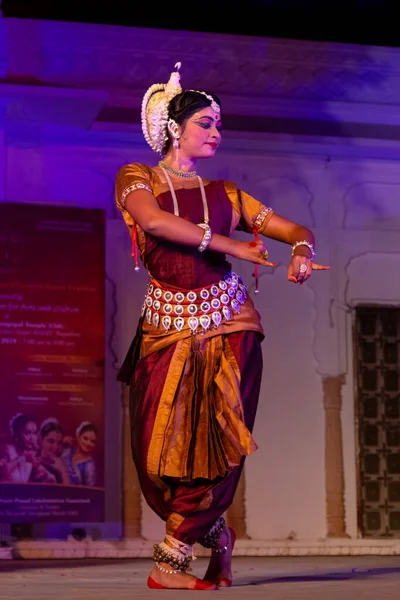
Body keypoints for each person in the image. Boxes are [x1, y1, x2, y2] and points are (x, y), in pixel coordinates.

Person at [115, 62, 329, 591]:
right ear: (174, 128)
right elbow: (155, 222)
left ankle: (172, 559)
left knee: (219, 438)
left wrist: (301, 250)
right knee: (154, 451)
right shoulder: (138, 178)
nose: (216, 132)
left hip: (229, 322)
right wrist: (233, 244)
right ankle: (217, 535)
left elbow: (292, 228)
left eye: (218, 124)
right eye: (205, 123)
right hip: (165, 326)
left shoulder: (229, 194)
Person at [31, 418, 70, 484]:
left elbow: (69, 492)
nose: (56, 447)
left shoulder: (62, 463)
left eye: (59, 443)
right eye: (51, 441)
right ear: (40, 439)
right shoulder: (32, 462)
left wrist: (63, 471)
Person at [5, 413, 40, 482]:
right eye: (27, 433)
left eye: (34, 433)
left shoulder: (32, 455)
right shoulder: (7, 450)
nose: (32, 438)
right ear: (17, 434)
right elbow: (3, 471)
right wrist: (23, 458)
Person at [62, 421, 97, 487]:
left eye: (92, 441)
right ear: (78, 436)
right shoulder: (69, 451)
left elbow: (90, 491)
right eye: (85, 438)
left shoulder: (89, 465)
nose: (88, 443)